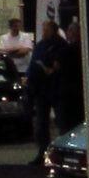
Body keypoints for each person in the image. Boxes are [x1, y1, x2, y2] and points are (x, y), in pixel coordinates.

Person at [27, 20, 66, 164]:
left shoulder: (61, 45)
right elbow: (34, 62)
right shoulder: (40, 45)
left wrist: (45, 67)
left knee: (61, 122)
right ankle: (43, 153)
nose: (43, 32)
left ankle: (62, 154)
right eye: (43, 30)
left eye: (46, 30)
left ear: (53, 31)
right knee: (41, 124)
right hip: (40, 89)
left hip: (55, 88)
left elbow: (56, 67)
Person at [57, 20, 85, 133]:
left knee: (68, 126)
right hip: (81, 90)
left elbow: (59, 67)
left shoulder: (67, 50)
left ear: (73, 32)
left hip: (69, 92)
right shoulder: (85, 48)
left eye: (69, 31)